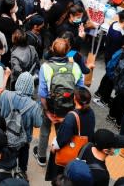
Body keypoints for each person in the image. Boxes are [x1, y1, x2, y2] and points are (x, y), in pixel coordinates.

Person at [35, 38, 83, 167]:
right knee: (62, 132)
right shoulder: (75, 67)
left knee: (45, 129)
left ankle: (41, 157)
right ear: (68, 51)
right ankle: (61, 156)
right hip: (68, 106)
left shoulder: (45, 67)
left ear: (52, 49)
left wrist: (46, 111)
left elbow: (42, 94)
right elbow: (80, 89)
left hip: (50, 105)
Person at [46, 87, 95, 181]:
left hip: (69, 154)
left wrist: (54, 147)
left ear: (75, 99)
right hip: (83, 151)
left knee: (62, 178)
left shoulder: (71, 117)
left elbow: (62, 138)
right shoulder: (90, 112)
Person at [0, 72, 41, 175]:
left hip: (5, 134)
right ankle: (22, 172)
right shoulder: (34, 105)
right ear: (31, 86)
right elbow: (38, 124)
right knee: (23, 154)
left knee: (5, 154)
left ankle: (5, 170)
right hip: (23, 140)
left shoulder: (5, 94)